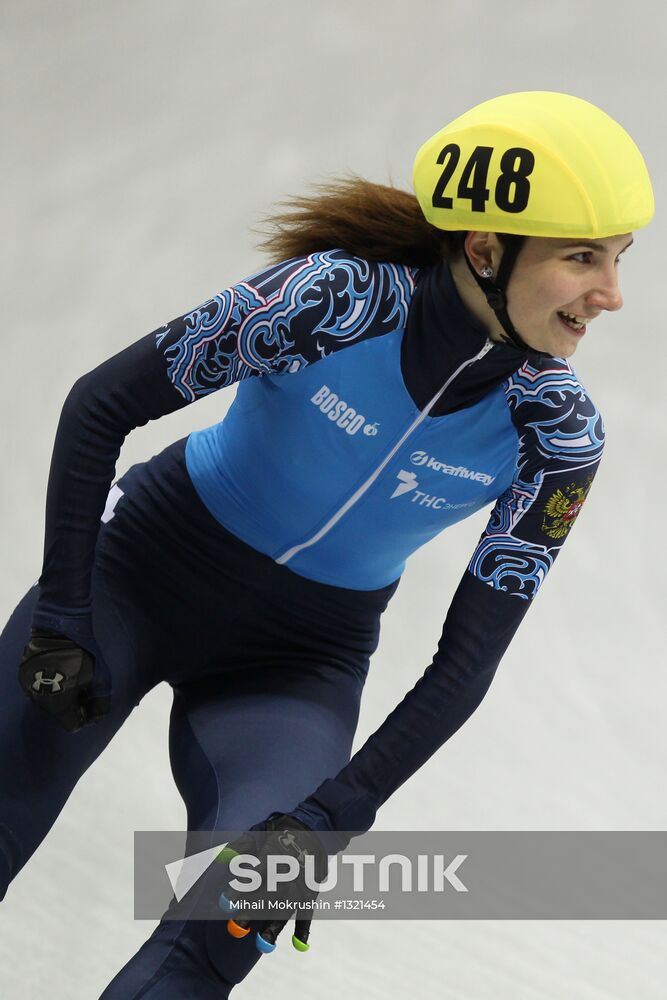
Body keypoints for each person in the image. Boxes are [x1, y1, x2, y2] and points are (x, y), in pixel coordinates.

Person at [2, 91, 654, 997]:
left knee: (235, 913)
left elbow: (464, 665)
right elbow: (99, 404)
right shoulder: (334, 301)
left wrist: (331, 815)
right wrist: (64, 610)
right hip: (136, 576)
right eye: (582, 257)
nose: (612, 294)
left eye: (621, 258)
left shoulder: (556, 434)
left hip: (299, 664)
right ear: (482, 247)